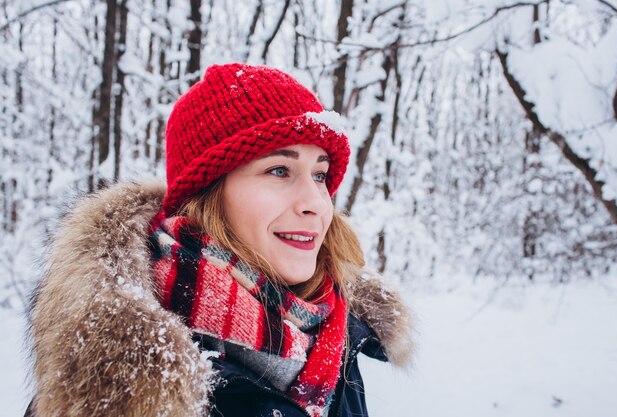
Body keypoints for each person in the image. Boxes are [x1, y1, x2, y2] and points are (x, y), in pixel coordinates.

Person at [26, 63, 414, 417]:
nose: (317, 204)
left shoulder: (332, 335)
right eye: (279, 170)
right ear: (207, 195)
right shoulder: (118, 375)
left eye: (319, 175)